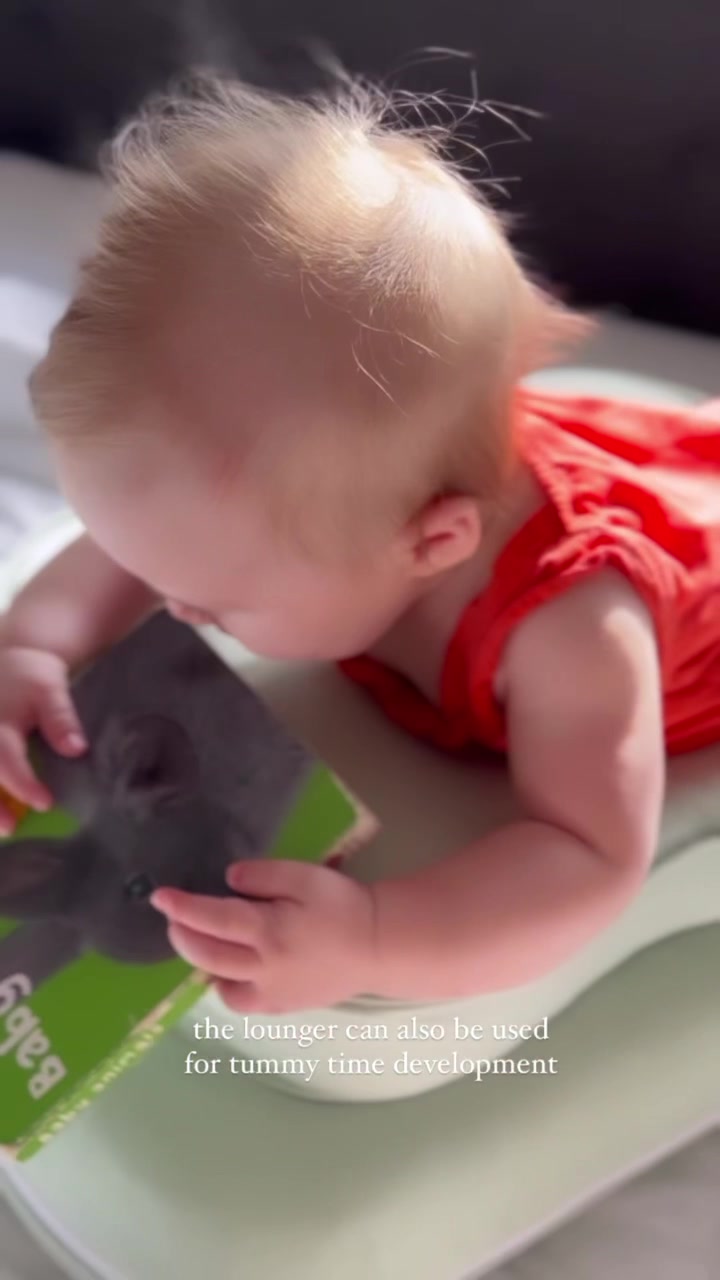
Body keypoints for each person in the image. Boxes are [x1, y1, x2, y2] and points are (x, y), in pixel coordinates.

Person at [0, 80, 718, 1013]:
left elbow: (590, 856)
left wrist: (374, 938)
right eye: (154, 565)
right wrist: (35, 644)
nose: (176, 607)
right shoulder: (321, 504)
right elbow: (141, 547)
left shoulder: (573, 633)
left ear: (431, 543)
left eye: (218, 598)